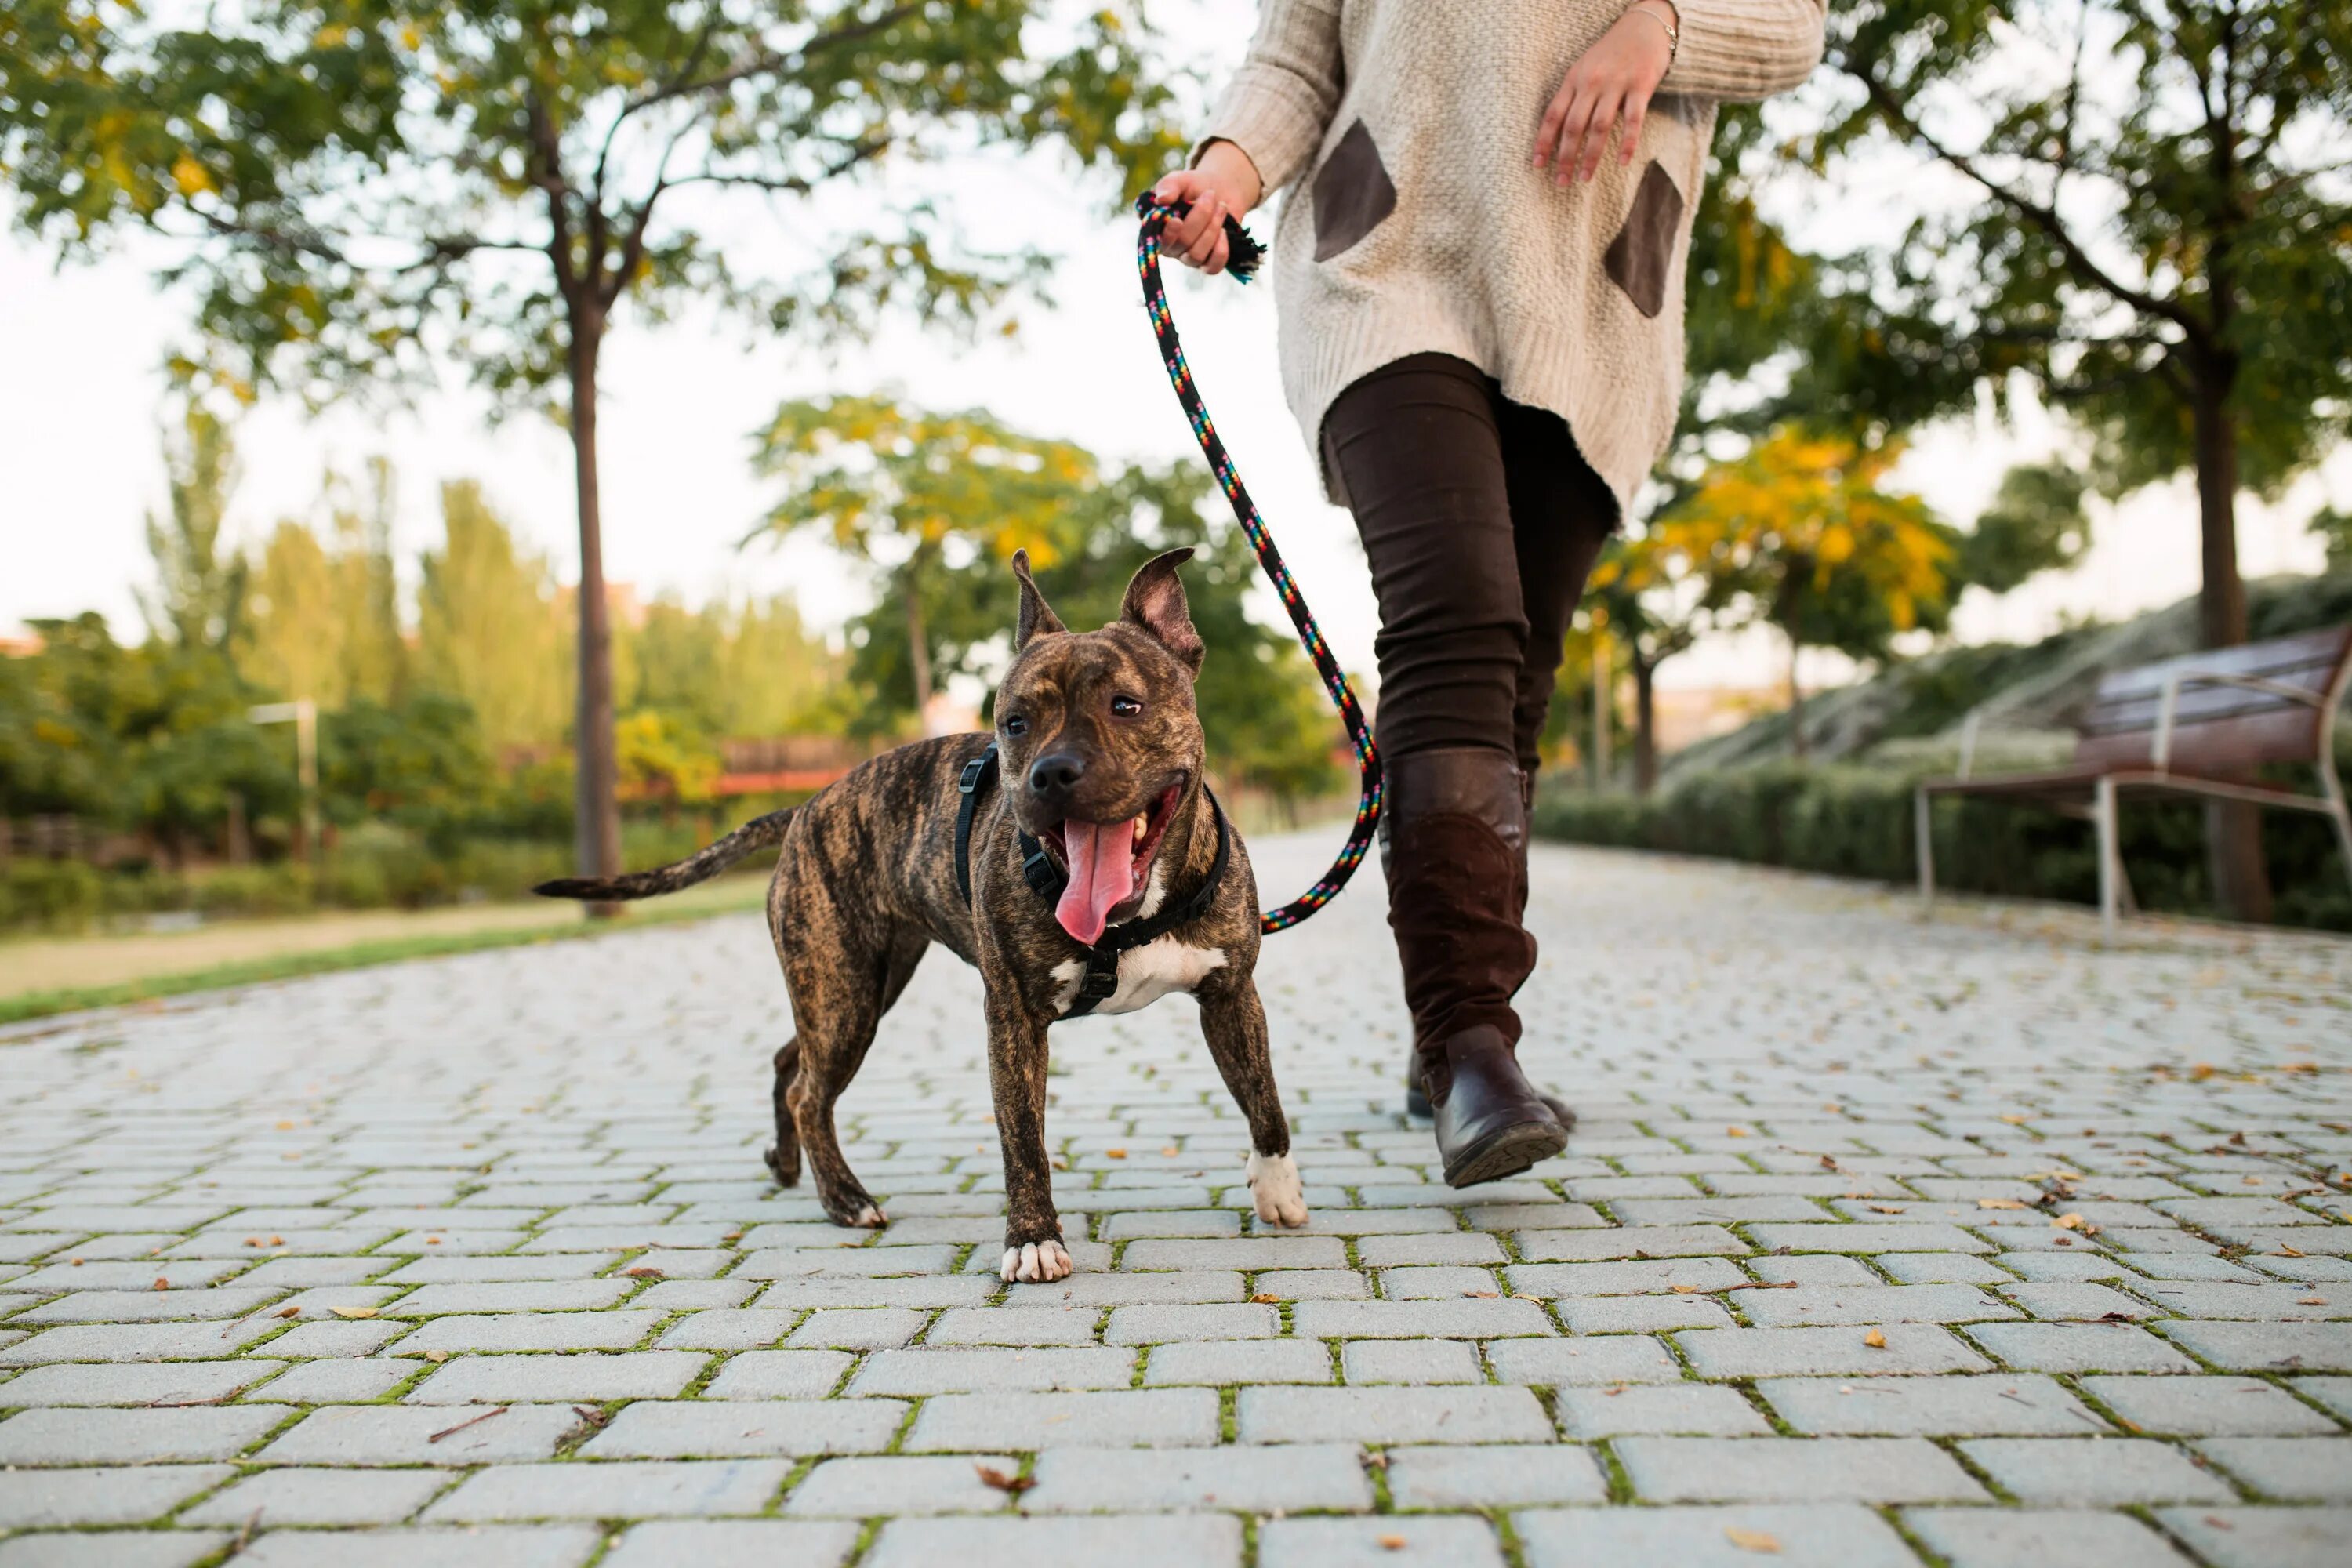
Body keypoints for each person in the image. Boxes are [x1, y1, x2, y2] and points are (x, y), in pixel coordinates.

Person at [1153, 1, 1825, 1186]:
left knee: (1516, 674)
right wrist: (1225, 172)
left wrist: (1662, 28)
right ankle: (1473, 1044)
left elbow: (1793, 23)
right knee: (1457, 613)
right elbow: (1298, 50)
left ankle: (1446, 1045)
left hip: (1595, 276)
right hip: (1389, 256)